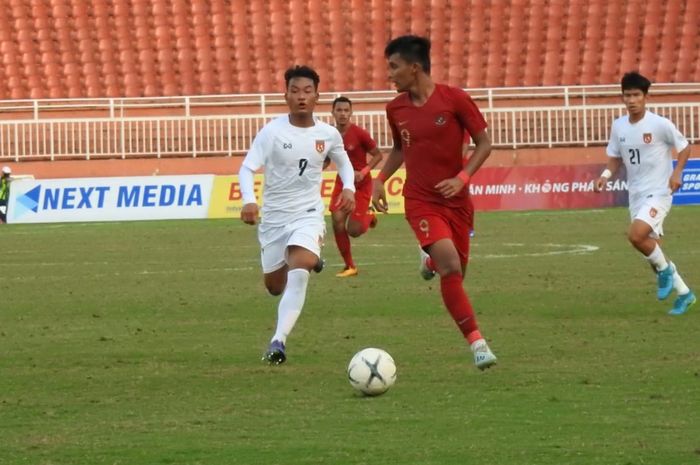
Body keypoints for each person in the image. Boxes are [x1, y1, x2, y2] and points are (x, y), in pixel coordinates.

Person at [372, 35, 497, 370]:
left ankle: (429, 262)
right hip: (420, 200)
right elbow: (400, 149)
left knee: (454, 273)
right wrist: (380, 181)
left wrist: (462, 178)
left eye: (394, 67)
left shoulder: (454, 99)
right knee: (451, 267)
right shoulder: (394, 109)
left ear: (415, 68)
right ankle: (477, 343)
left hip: (457, 201)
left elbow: (484, 143)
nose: (390, 75)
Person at [238, 66, 356, 364]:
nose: (301, 97)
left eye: (307, 91)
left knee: (299, 269)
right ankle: (314, 257)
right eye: (295, 91)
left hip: (308, 213)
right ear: (286, 95)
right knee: (275, 287)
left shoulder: (328, 134)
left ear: (317, 96)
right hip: (275, 219)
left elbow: (343, 163)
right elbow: (247, 167)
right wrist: (250, 201)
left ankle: (278, 341)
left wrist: (350, 188)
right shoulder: (273, 132)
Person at [595, 71, 695, 315]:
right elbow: (615, 158)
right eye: (627, 95)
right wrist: (605, 176)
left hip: (659, 192)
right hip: (636, 195)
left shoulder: (659, 124)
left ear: (645, 97)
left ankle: (666, 273)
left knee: (636, 235)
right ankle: (685, 293)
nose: (632, 100)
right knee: (652, 249)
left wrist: (677, 173)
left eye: (636, 95)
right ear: (622, 98)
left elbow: (684, 147)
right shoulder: (618, 126)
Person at [328, 96, 384, 277]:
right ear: (333, 112)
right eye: (339, 110)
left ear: (351, 113)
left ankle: (369, 217)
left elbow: (377, 155)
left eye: (346, 110)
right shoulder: (329, 135)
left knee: (354, 230)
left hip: (361, 184)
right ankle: (350, 266)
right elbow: (327, 158)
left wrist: (365, 170)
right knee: (336, 219)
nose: (343, 114)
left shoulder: (360, 133)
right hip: (342, 183)